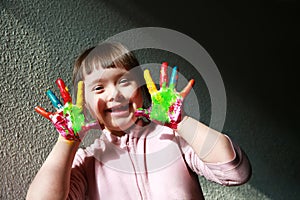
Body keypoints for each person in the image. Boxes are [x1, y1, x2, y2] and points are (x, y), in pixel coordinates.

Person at [26, 42, 251, 200]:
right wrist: (67, 141)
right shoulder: (88, 162)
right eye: (99, 87)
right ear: (85, 104)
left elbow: (235, 171)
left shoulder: (173, 139)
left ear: (142, 91)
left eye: (124, 81)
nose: (115, 94)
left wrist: (181, 122)